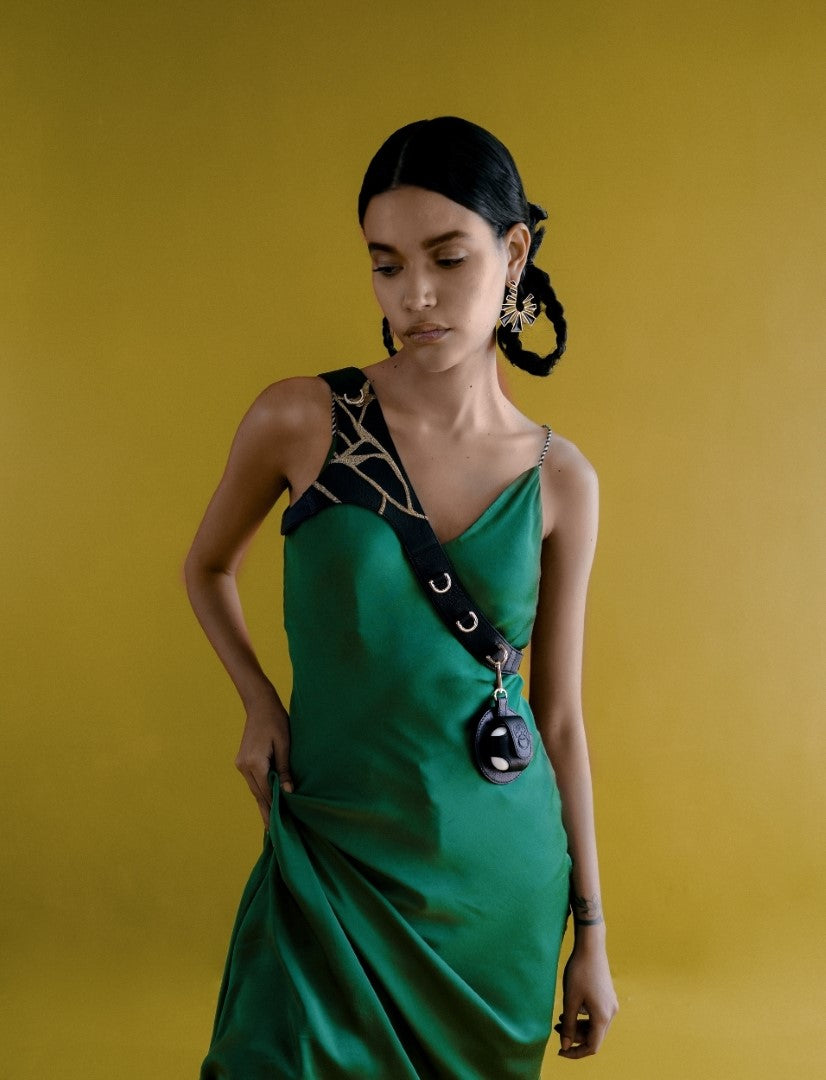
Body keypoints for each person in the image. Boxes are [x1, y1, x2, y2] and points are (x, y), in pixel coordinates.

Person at [184, 115, 618, 1078]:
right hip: (332, 855)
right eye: (386, 265)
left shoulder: (561, 481)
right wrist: (258, 701)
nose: (414, 295)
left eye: (447, 259)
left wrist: (590, 934)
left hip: (495, 895)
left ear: (514, 254)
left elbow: (559, 719)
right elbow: (207, 567)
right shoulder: (301, 419)